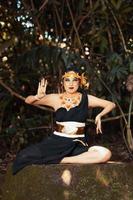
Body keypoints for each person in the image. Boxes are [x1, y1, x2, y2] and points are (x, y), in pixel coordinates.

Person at [12, 69, 116, 175]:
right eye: (67, 80)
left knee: (105, 154)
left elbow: (111, 104)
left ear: (79, 83)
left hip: (77, 143)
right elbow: (28, 101)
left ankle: (62, 160)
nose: (71, 83)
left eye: (74, 80)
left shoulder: (86, 99)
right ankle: (58, 157)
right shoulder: (56, 98)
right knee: (24, 156)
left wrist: (99, 115)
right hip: (57, 141)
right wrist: (37, 97)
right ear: (63, 83)